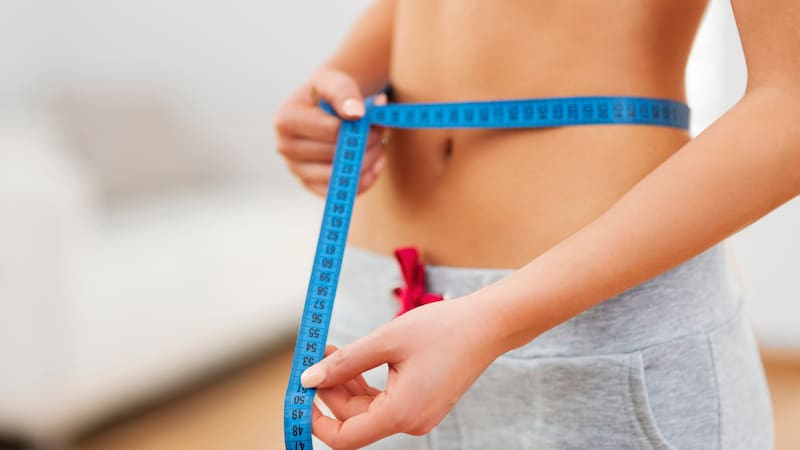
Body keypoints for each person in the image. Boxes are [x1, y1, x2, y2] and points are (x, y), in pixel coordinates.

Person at [273, 1, 795, 448]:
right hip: (376, 304)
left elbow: (790, 105)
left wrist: (491, 321)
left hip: (594, 329)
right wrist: (347, 74)